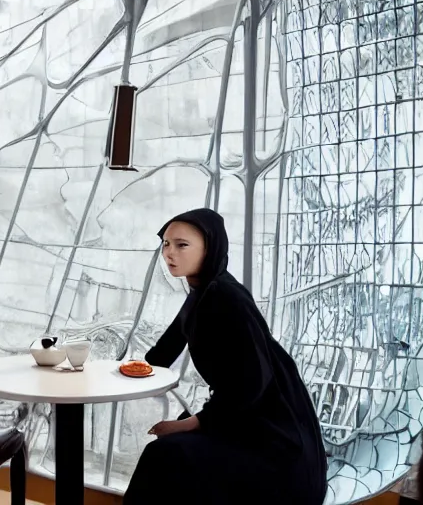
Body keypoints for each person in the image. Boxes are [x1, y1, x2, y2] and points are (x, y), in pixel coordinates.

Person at [123, 208, 327, 505]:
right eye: (166, 243)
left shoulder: (223, 295)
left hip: (276, 442)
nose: (169, 253)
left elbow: (253, 384)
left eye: (182, 245)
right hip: (249, 420)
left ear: (210, 247)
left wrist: (189, 424)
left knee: (165, 454)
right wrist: (124, 370)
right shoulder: (203, 290)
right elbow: (165, 350)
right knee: (175, 446)